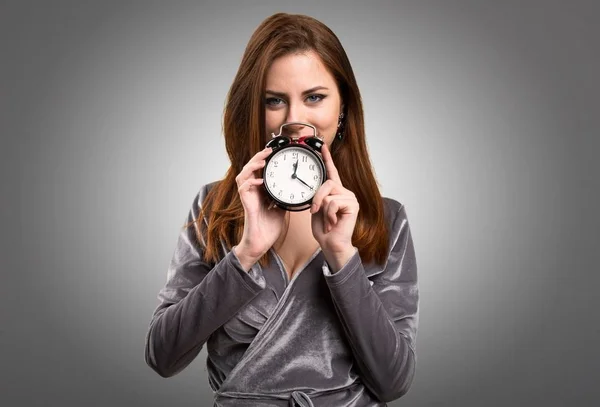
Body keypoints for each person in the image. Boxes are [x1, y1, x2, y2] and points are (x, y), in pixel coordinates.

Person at [144, 12, 419, 407]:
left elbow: (394, 382)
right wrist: (246, 253)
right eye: (275, 100)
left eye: (314, 97)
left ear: (342, 108)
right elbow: (162, 356)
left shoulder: (384, 219)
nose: (295, 120)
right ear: (254, 110)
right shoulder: (213, 207)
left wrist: (342, 257)